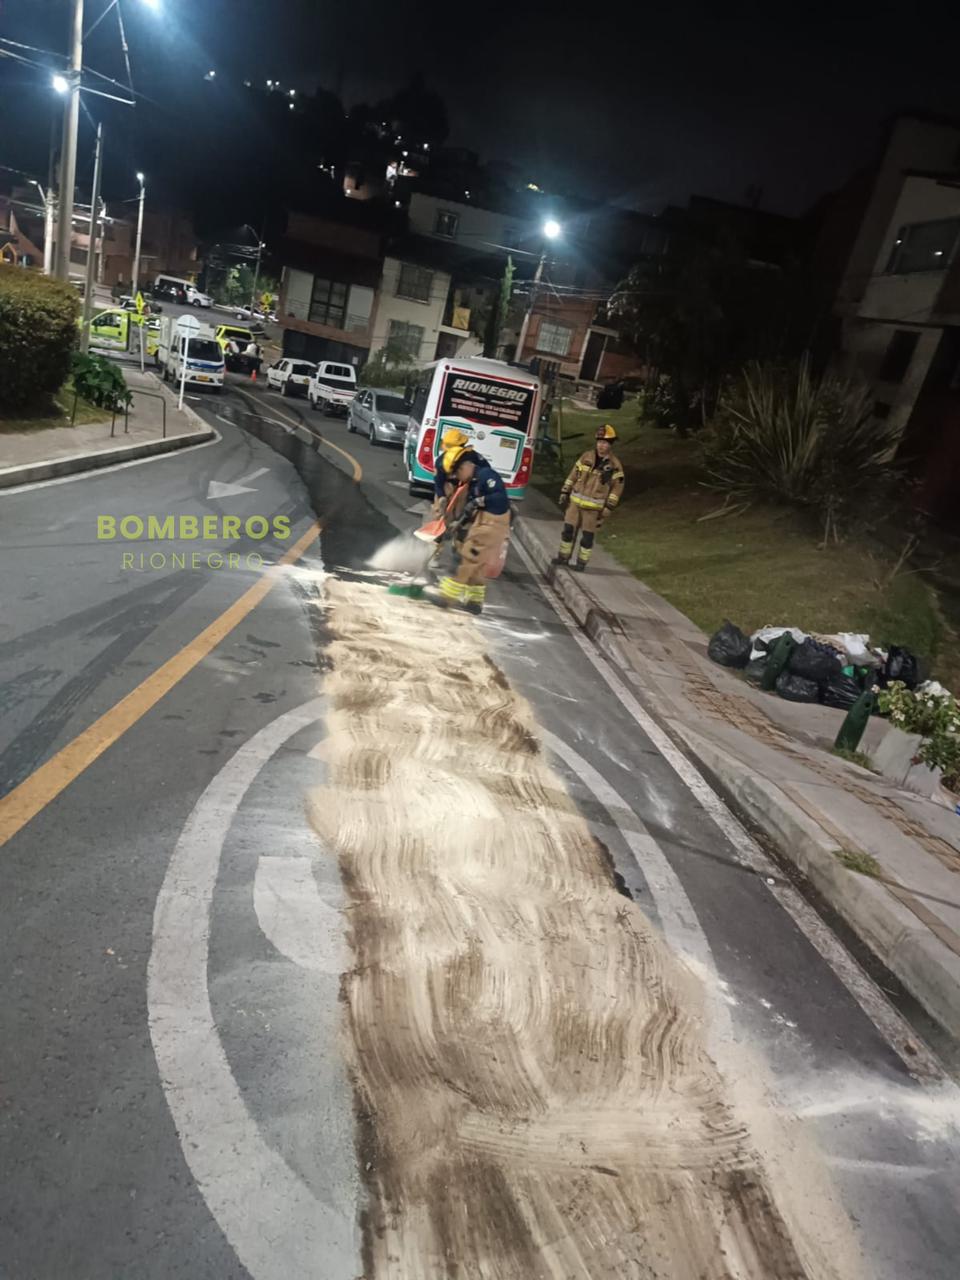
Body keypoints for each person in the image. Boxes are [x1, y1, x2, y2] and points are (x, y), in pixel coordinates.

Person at [435, 450, 510, 614]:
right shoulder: (473, 482)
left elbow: (500, 498)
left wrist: (479, 501)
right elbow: (468, 511)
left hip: (492, 523)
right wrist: (456, 525)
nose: (458, 478)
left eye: (457, 473)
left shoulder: (486, 475)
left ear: (464, 467)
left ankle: (446, 597)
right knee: (477, 565)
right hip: (483, 522)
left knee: (468, 557)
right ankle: (475, 601)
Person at [557, 424, 625, 571]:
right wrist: (565, 491)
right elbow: (573, 475)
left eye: (605, 443)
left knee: (587, 538)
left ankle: (581, 563)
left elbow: (617, 488)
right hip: (575, 504)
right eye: (599, 442)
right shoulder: (586, 457)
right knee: (567, 531)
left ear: (610, 445)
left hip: (593, 510)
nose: (601, 445)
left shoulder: (615, 465)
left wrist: (609, 507)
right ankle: (563, 557)